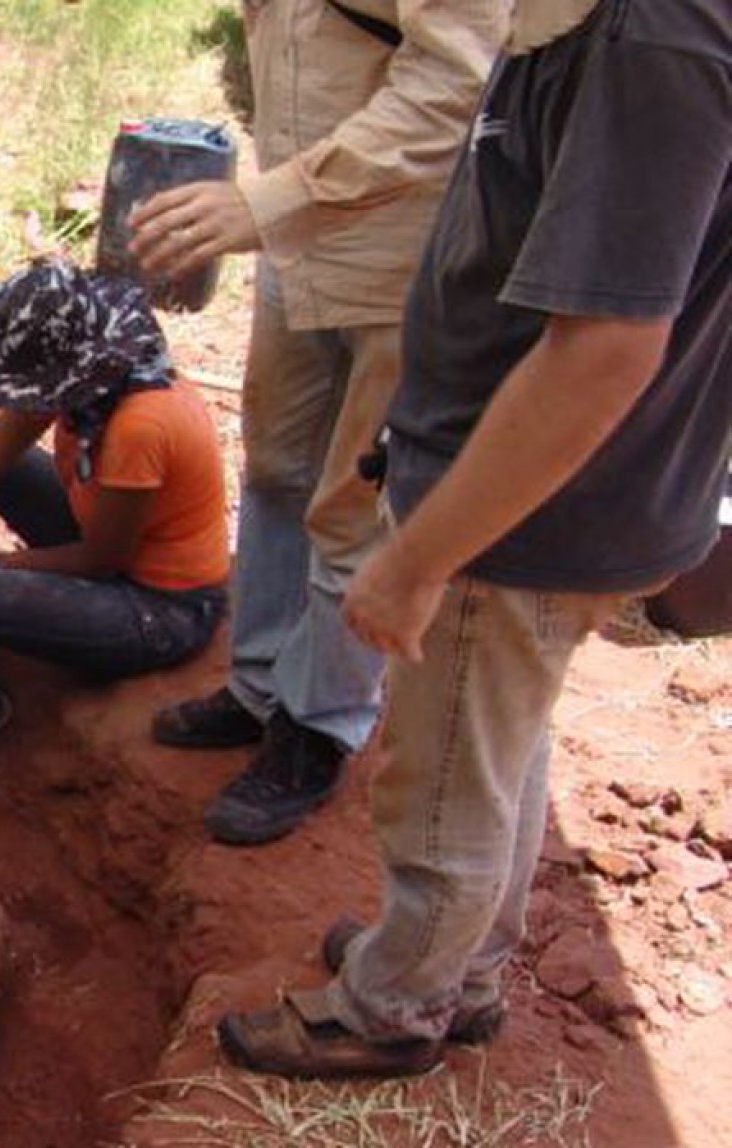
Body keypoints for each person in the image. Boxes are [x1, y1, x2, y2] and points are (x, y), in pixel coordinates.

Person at [216, 0, 732, 1078]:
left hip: (527, 511)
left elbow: (603, 350)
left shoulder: (656, 45)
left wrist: (416, 557)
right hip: (517, 489)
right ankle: (463, 962)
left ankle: (392, 1007)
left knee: (438, 771)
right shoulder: (597, 33)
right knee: (495, 744)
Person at [128, 0, 507, 845]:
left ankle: (320, 725)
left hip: (399, 250)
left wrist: (272, 200)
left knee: (352, 501)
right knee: (276, 469)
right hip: (295, 237)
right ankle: (259, 683)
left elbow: (454, 82)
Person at [0, 261, 231, 768]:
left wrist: (11, 566)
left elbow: (103, 560)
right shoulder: (89, 375)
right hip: (105, 529)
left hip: (159, 606)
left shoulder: (139, 426)